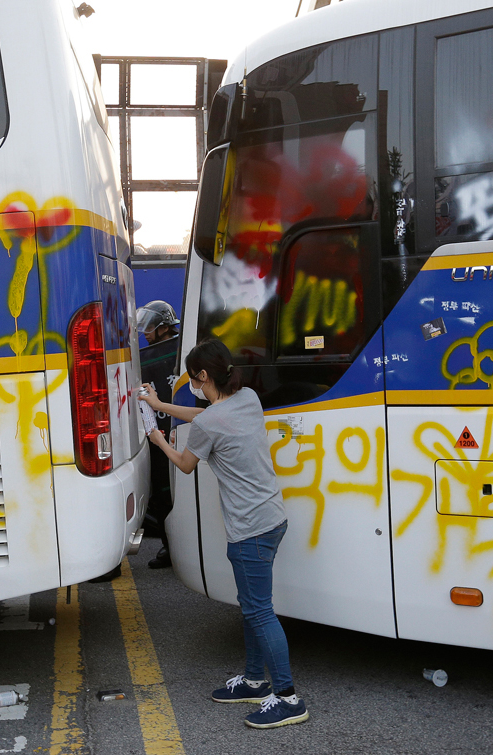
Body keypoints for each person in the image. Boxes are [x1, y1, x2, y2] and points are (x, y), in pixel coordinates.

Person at [140, 338, 309, 729]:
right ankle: (253, 680)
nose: (193, 387)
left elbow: (185, 463)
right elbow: (202, 416)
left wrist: (159, 438)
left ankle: (287, 698)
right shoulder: (248, 397)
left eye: (194, 380)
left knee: (260, 612)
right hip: (272, 519)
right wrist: (161, 406)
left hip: (249, 531)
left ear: (203, 375)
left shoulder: (209, 422)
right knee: (252, 606)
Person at [136, 300, 181, 569]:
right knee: (162, 495)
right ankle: (169, 546)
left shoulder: (182, 350)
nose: (146, 333)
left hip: (178, 430)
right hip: (157, 435)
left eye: (150, 328)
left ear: (164, 327)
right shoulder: (145, 357)